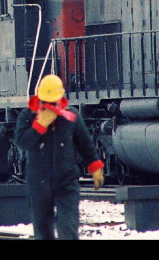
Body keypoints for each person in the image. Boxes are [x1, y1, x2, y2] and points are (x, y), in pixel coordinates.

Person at [14, 74, 105, 240]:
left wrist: (95, 167)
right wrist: (39, 126)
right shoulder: (27, 116)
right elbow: (21, 142)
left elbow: (85, 145)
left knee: (68, 228)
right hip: (39, 183)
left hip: (66, 182)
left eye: (53, 101)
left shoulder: (71, 117)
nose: (50, 105)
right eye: (46, 101)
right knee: (43, 232)